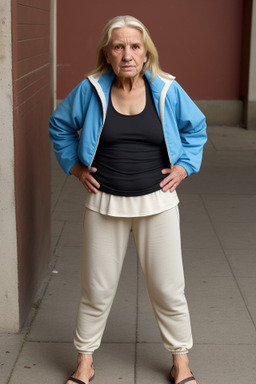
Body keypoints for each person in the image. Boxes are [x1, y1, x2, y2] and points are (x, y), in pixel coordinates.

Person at [49, 15, 207, 384]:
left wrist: (184, 167)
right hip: (105, 203)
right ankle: (85, 363)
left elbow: (195, 127)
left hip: (158, 203)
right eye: (118, 46)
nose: (127, 54)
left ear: (146, 50)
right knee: (96, 289)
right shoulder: (91, 90)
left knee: (169, 288)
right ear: (107, 51)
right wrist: (74, 166)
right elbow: (59, 125)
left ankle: (180, 362)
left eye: (135, 46)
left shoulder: (167, 89)